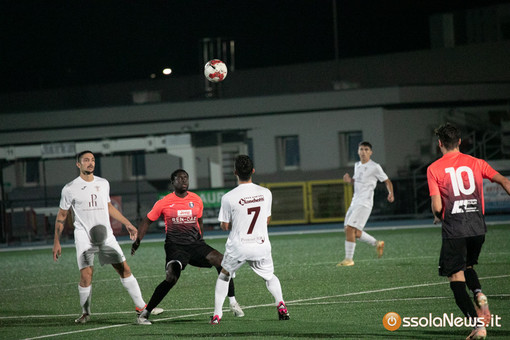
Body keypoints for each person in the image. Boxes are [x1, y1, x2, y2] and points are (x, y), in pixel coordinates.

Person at [52, 150, 160, 324]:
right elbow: (62, 215)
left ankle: (141, 306)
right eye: (86, 160)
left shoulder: (103, 183)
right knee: (86, 275)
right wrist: (56, 241)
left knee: (124, 269)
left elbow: (109, 207)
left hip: (106, 236)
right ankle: (85, 313)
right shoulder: (70, 188)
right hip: (84, 237)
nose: (90, 163)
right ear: (78, 164)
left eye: (93, 160)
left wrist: (127, 223)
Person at [427, 123, 510, 340]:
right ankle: (478, 293)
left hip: (455, 228)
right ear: (460, 142)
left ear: (440, 144)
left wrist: (437, 215)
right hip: (477, 228)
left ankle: (477, 326)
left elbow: (437, 206)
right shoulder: (476, 162)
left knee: (456, 277)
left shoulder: (434, 169)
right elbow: (503, 180)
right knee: (468, 266)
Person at [132, 169, 244, 325]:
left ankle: (232, 302)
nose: (184, 180)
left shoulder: (196, 199)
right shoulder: (164, 202)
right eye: (180, 178)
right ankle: (144, 314)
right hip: (175, 247)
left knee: (224, 262)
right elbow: (147, 221)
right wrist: (138, 240)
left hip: (196, 245)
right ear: (173, 182)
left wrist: (201, 241)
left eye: (186, 178)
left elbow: (200, 221)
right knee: (171, 278)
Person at [210, 155, 290, 325]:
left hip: (239, 247)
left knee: (224, 276)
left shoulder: (228, 197)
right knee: (269, 277)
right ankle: (281, 304)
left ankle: (217, 315)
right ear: (253, 171)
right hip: (261, 245)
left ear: (235, 172)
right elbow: (266, 220)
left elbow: (224, 226)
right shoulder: (265, 193)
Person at [337, 141, 394, 267]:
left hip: (364, 202)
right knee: (354, 232)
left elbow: (387, 181)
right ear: (358, 151)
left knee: (349, 229)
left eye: (366, 149)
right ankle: (377, 243)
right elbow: (359, 182)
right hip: (355, 201)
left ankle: (349, 259)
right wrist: (350, 180)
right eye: (361, 149)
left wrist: (390, 193)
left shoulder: (375, 166)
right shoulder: (357, 165)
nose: (363, 152)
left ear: (371, 152)